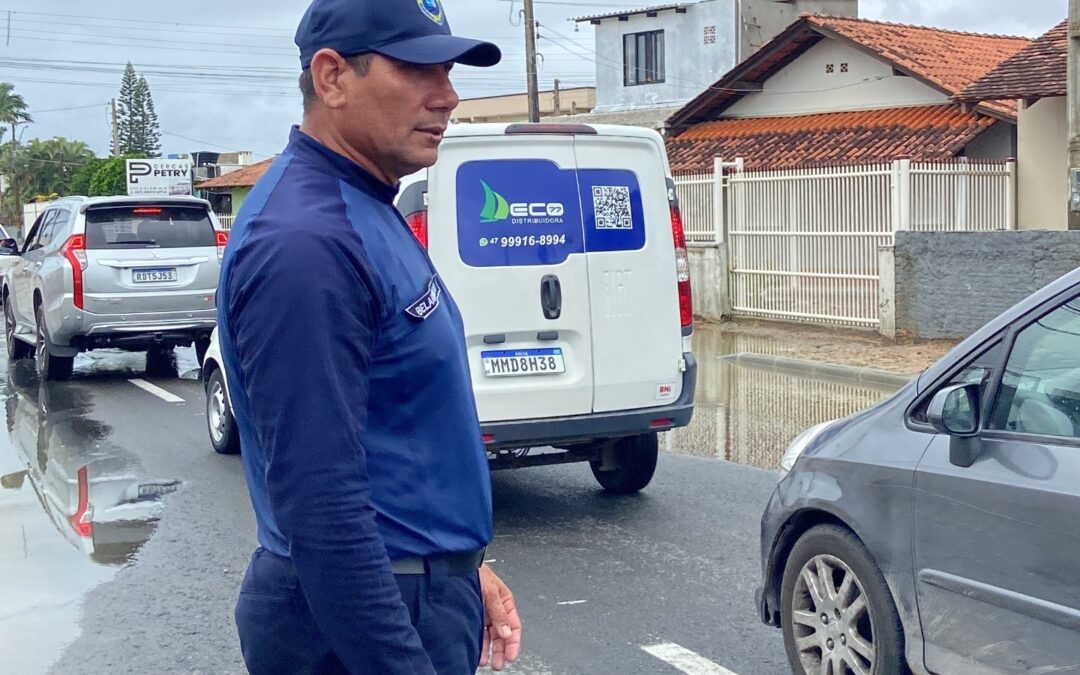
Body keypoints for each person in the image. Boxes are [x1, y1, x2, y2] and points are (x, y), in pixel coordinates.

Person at [217, 0, 522, 672]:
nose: (447, 96)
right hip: (356, 623)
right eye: (418, 70)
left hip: (412, 591)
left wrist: (465, 568)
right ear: (331, 77)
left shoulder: (365, 204)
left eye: (447, 71)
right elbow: (322, 510)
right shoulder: (309, 244)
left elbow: (401, 434)